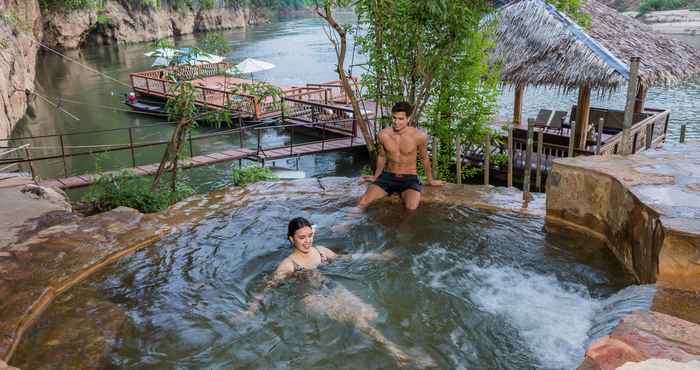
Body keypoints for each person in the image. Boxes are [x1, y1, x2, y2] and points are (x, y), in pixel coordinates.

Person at [245, 217, 432, 368]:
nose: (307, 240)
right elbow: (268, 286)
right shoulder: (288, 264)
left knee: (369, 314)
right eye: (302, 237)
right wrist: (251, 309)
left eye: (310, 235)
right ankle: (397, 353)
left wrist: (377, 257)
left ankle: (374, 347)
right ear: (291, 239)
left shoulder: (320, 252)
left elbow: (347, 258)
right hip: (309, 297)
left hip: (330, 287)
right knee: (356, 318)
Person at [358, 101, 444, 211]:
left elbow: (424, 158)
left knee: (411, 208)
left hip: (409, 179)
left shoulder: (419, 136)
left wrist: (430, 180)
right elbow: (382, 156)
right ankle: (343, 226)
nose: (396, 122)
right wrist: (376, 176)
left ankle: (401, 228)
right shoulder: (383, 135)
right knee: (363, 202)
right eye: (394, 118)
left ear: (408, 118)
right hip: (387, 176)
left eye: (401, 119)